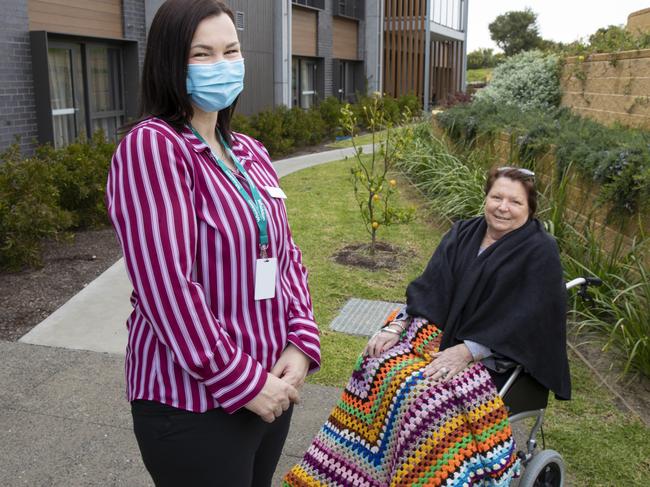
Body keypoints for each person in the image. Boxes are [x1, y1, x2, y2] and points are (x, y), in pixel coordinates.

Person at [105, 1, 320, 485]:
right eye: (201, 54)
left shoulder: (248, 150)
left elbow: (285, 255)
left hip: (270, 386)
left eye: (231, 51)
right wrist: (242, 382)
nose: (221, 65)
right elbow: (167, 289)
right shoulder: (154, 148)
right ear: (168, 63)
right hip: (194, 403)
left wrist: (301, 342)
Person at [284, 167, 570, 486]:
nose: (503, 207)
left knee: (422, 398)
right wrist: (396, 327)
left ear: (530, 208)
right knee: (375, 365)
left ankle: (418, 475)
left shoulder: (539, 250)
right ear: (486, 198)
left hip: (496, 357)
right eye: (496, 197)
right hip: (441, 338)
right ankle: (357, 469)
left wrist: (468, 351)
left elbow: (528, 317)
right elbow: (430, 287)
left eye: (515, 201)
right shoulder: (464, 232)